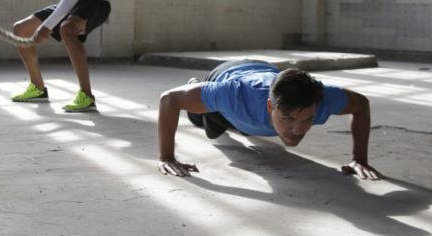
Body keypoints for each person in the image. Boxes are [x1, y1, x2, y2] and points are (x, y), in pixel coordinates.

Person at [157, 60, 383, 180]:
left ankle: (250, 124)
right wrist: (167, 157)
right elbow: (169, 100)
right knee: (207, 125)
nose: (297, 130)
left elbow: (361, 104)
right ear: (270, 106)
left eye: (307, 119)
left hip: (266, 71)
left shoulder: (323, 98)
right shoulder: (233, 94)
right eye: (288, 118)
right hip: (229, 76)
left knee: (246, 130)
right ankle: (195, 83)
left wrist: (359, 159)